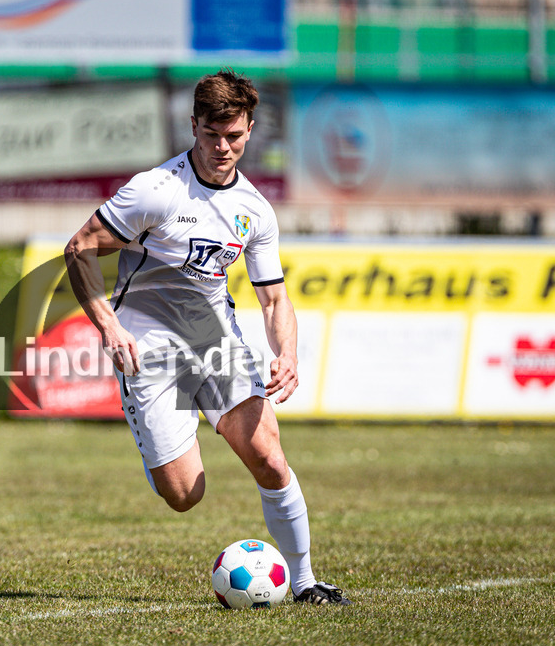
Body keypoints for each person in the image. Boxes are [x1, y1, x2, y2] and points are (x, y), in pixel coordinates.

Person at [64, 70, 351, 605]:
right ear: (192, 125)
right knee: (184, 495)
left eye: (234, 136)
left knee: (267, 452)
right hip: (146, 344)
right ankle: (159, 435)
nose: (222, 147)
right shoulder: (156, 190)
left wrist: (287, 352)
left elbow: (273, 297)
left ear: (250, 130)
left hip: (213, 338)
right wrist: (108, 326)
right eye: (211, 135)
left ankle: (307, 581)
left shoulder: (255, 211)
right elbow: (78, 249)